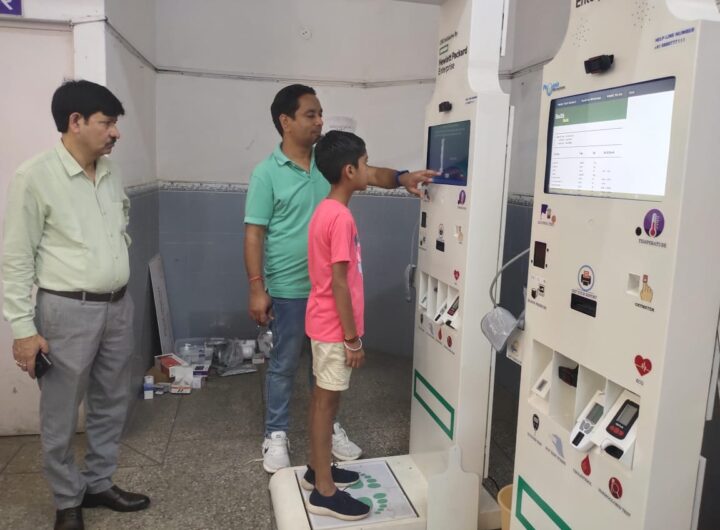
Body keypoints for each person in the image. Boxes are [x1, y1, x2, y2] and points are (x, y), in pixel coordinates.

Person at [244, 84, 435, 473]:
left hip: (329, 293)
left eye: (320, 113)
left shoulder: (327, 161)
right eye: (310, 114)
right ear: (285, 121)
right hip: (290, 287)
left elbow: (372, 173)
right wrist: (256, 288)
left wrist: (402, 178)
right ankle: (276, 433)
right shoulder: (266, 173)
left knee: (326, 366)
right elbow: (254, 234)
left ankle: (328, 429)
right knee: (284, 362)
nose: (319, 121)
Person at [3, 80, 150, 530]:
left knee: (111, 402)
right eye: (107, 123)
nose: (115, 133)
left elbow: (119, 228)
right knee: (61, 411)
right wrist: (23, 330)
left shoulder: (110, 172)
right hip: (66, 311)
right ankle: (67, 498)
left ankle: (99, 482)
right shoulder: (34, 177)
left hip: (118, 307)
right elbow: (16, 258)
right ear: (76, 122)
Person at [302, 130, 372, 520]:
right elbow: (340, 283)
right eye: (365, 163)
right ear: (349, 171)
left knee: (324, 400)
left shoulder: (325, 210)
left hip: (324, 323)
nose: (368, 170)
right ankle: (324, 491)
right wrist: (352, 338)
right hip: (334, 329)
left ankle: (318, 468)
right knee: (326, 404)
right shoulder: (340, 217)